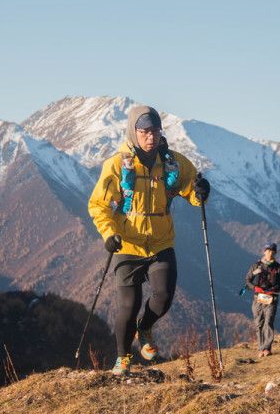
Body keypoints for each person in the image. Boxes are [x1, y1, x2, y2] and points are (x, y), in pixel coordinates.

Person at [88, 105, 210, 375]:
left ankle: (145, 328)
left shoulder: (172, 162)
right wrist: (109, 235)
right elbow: (98, 205)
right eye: (145, 132)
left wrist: (201, 192)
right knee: (129, 306)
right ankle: (123, 359)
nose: (151, 137)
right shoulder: (117, 165)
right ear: (134, 132)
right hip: (127, 245)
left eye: (155, 131)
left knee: (164, 296)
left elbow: (190, 189)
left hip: (161, 242)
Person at [244, 243, 280, 357]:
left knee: (268, 322)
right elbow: (248, 280)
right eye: (268, 251)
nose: (270, 254)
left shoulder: (278, 267)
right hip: (258, 299)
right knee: (259, 324)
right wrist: (255, 288)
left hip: (271, 299)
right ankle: (261, 348)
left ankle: (267, 348)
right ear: (264, 252)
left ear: (275, 254)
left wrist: (273, 290)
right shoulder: (256, 266)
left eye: (273, 252)